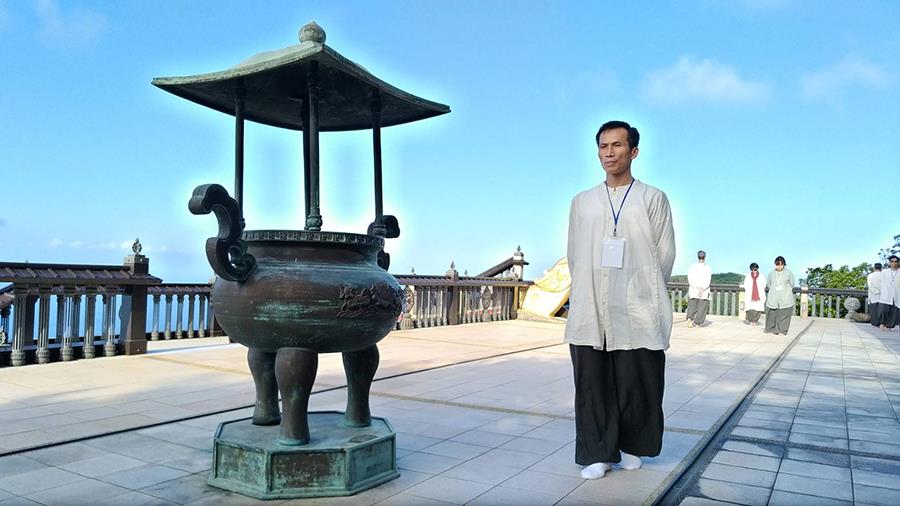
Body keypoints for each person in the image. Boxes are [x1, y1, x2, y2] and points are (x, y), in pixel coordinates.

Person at [565, 120, 676, 480]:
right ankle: (599, 453)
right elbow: (575, 254)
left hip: (637, 303)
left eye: (617, 145)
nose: (609, 153)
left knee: (637, 381)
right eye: (603, 146)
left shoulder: (652, 198)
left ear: (634, 151)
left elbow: (664, 253)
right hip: (592, 305)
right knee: (592, 382)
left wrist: (644, 288)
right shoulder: (582, 202)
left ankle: (632, 446)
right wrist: (587, 289)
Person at [765, 256, 795, 335]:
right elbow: (769, 284)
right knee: (772, 313)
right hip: (773, 295)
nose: (779, 267)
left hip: (785, 295)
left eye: (781, 265)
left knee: (784, 314)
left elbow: (792, 284)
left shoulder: (788, 273)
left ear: (784, 265)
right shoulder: (771, 273)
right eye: (777, 265)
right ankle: (771, 329)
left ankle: (782, 330)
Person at [686, 250, 712, 327]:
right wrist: (702, 289)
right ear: (705, 257)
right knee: (702, 306)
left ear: (698, 257)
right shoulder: (708, 268)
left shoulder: (692, 267)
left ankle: (690, 319)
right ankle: (697, 322)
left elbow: (690, 279)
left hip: (694, 289)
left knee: (692, 305)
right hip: (704, 290)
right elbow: (708, 280)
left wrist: (696, 287)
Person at [879, 255, 900, 330]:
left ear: (898, 263)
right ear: (889, 263)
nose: (894, 263)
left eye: (896, 261)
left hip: (897, 293)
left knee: (894, 310)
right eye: (892, 261)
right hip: (886, 293)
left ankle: (889, 325)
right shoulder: (885, 271)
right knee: (883, 310)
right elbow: (880, 282)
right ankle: (882, 323)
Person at [867, 263, 883, 327]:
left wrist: (875, 291)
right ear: (881, 268)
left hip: (873, 295)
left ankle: (874, 323)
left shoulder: (870, 275)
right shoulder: (884, 275)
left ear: (874, 268)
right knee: (881, 310)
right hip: (882, 295)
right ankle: (881, 323)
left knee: (873, 309)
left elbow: (869, 285)